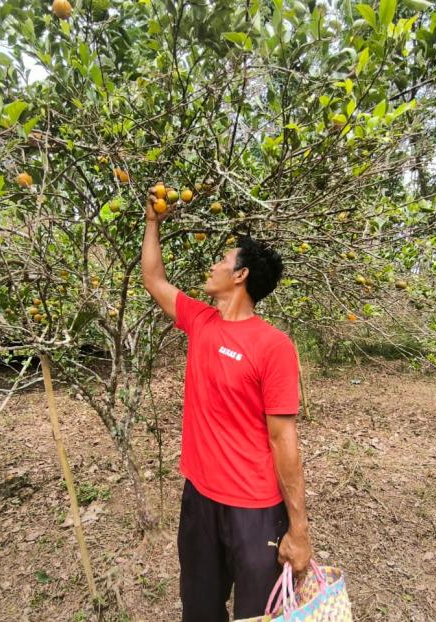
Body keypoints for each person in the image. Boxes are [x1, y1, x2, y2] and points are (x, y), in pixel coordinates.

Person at [140, 187, 312, 621]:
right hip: (199, 498)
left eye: (223, 259)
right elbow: (153, 280)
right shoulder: (200, 320)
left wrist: (299, 528)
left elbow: (283, 438)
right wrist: (152, 223)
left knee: (257, 615)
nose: (213, 264)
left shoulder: (274, 346)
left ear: (240, 276)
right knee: (200, 610)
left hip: (254, 510)